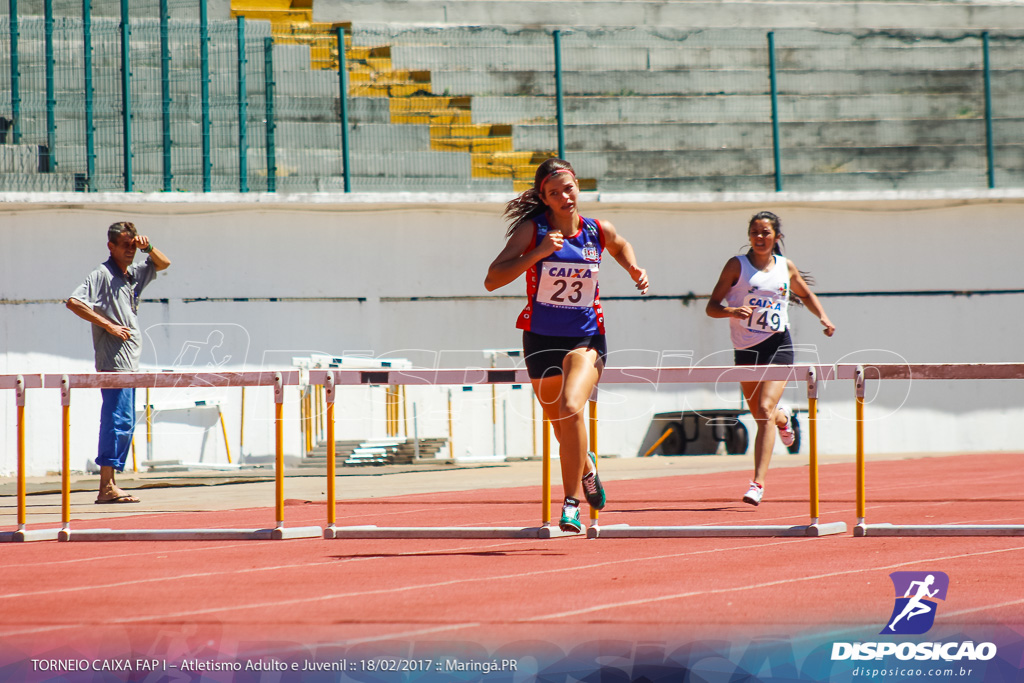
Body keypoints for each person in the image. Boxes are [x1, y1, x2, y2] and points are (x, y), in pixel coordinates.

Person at [485, 158, 649, 533]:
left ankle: (570, 503)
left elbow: (622, 246)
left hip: (586, 337)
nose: (564, 197)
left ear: (578, 187)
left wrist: (634, 269)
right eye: (554, 193)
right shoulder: (533, 230)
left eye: (569, 189)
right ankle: (587, 465)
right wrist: (539, 252)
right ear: (544, 198)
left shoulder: (596, 230)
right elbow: (492, 280)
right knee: (562, 427)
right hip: (540, 338)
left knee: (572, 405)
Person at [705, 211, 834, 506]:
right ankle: (784, 419)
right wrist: (730, 311)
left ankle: (757, 484)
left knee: (763, 409)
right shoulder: (736, 266)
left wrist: (824, 318)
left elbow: (805, 293)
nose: (760, 238)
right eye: (754, 232)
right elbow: (711, 306)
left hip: (779, 346)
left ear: (777, 237)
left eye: (765, 232)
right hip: (746, 350)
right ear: (748, 236)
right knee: (762, 413)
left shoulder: (785, 267)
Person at [67, 221, 171, 504]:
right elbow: (74, 302)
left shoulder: (133, 275)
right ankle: (106, 486)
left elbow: (164, 263)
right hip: (114, 363)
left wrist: (147, 246)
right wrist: (109, 326)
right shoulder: (102, 274)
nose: (129, 251)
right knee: (115, 421)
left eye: (132, 245)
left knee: (124, 422)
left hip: (130, 365)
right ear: (111, 246)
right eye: (124, 245)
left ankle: (111, 483)